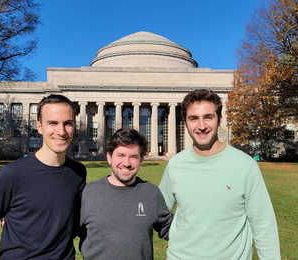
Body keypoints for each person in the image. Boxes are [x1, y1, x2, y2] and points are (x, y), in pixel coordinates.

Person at [158, 89, 281, 260]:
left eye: (208, 117)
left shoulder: (245, 166)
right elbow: (157, 211)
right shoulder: (175, 165)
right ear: (185, 123)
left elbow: (263, 225)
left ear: (219, 119)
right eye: (194, 118)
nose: (201, 126)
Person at [0, 94, 87, 260]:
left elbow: (73, 221)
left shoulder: (78, 172)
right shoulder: (13, 173)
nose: (61, 131)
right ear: (39, 127)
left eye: (68, 123)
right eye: (53, 123)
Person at [79, 128, 173, 260]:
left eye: (134, 157)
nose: (127, 163)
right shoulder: (89, 192)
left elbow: (172, 230)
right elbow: (67, 233)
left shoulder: (151, 193)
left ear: (141, 160)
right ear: (109, 157)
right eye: (121, 155)